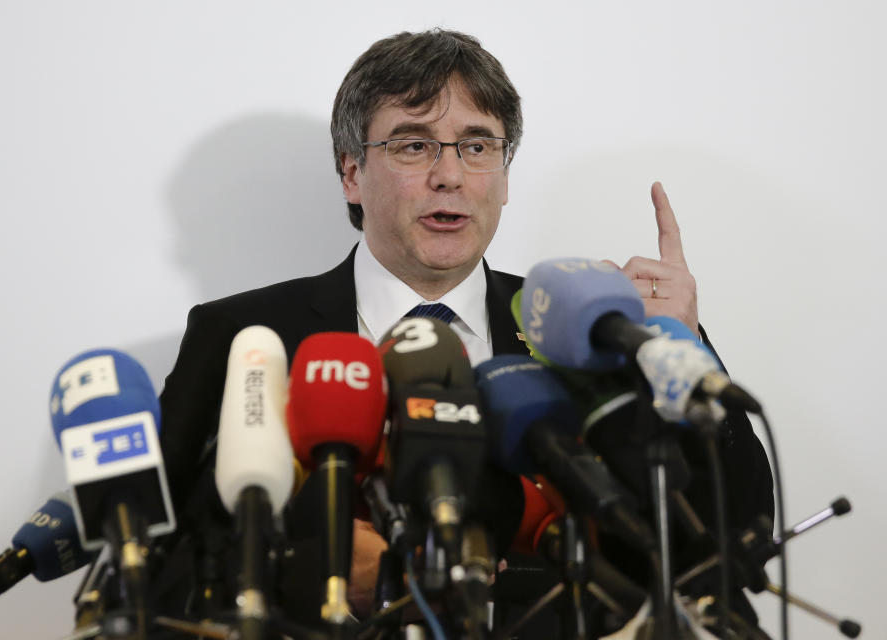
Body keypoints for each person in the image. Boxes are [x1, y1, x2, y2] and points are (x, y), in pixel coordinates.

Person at [154, 28, 774, 635]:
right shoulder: (241, 335)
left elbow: (732, 537)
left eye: (477, 146)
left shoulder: (581, 332)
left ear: (503, 177)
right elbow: (160, 571)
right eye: (413, 145)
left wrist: (680, 349)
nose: (449, 175)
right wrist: (304, 570)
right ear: (350, 173)